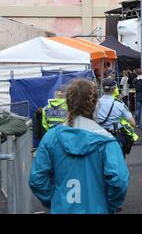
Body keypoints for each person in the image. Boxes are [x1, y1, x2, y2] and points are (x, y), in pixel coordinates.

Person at [29, 79, 129, 214]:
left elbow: (37, 179)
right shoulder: (107, 141)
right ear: (95, 104)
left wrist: (54, 200)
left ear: (68, 103)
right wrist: (111, 205)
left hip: (62, 208)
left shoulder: (51, 137)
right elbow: (119, 180)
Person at [97, 78, 136, 156]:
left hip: (99, 137)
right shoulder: (119, 104)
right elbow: (133, 123)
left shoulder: (95, 103)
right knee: (119, 161)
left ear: (103, 88)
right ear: (114, 88)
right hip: (115, 137)